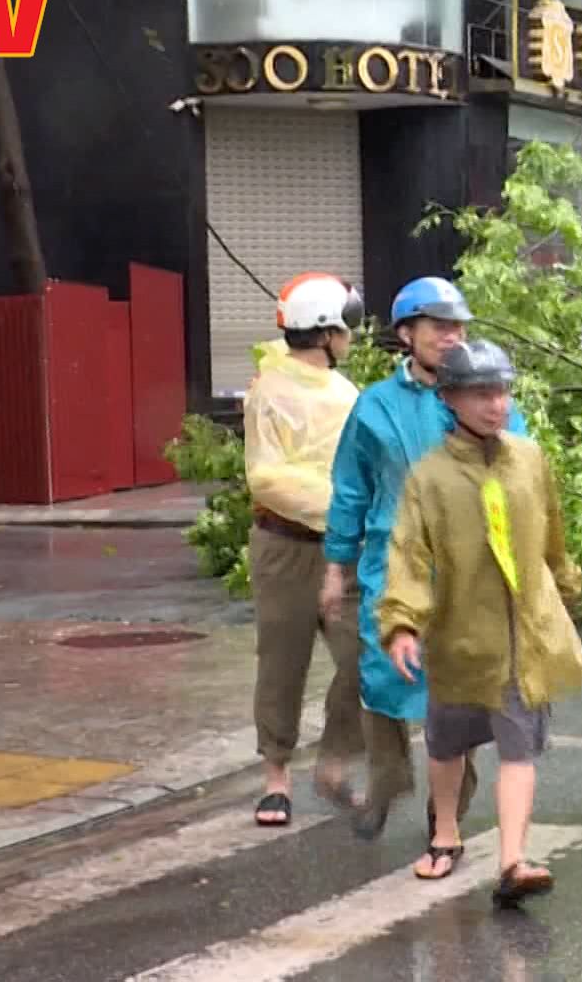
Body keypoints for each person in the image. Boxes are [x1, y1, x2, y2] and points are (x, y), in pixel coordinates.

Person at [379, 340, 582, 906]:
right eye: (480, 394)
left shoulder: (529, 458)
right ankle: (445, 835)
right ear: (449, 398)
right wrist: (402, 623)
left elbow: (553, 536)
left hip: (523, 635)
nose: (495, 405)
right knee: (448, 744)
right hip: (459, 634)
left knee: (519, 746)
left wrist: (565, 590)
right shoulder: (430, 478)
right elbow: (409, 555)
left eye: (501, 392)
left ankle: (513, 861)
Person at [321, 277, 527, 840]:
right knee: (383, 679)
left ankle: (447, 817)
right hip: (391, 568)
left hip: (468, 572)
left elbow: (522, 480)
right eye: (439, 327)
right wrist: (336, 568)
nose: (452, 337)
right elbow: (349, 491)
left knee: (460, 691)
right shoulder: (375, 408)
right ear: (407, 334)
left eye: (459, 326)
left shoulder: (487, 397)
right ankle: (387, 781)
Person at [246, 272, 367, 827]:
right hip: (284, 546)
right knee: (282, 658)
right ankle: (276, 775)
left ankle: (336, 761)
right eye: (346, 326)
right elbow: (268, 479)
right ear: (325, 331)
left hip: (344, 546)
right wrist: (338, 505)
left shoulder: (349, 396)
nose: (352, 336)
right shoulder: (267, 390)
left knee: (363, 656)